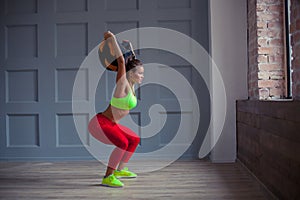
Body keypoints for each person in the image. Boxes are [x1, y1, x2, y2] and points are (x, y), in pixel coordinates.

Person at [88, 31, 144, 188]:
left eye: (142, 73)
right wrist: (112, 40)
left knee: (134, 139)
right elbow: (121, 62)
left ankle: (120, 170)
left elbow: (130, 62)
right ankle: (108, 177)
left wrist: (130, 48)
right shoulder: (123, 84)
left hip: (111, 123)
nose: (142, 76)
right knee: (122, 142)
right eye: (139, 73)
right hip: (100, 123)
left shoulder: (131, 85)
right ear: (130, 74)